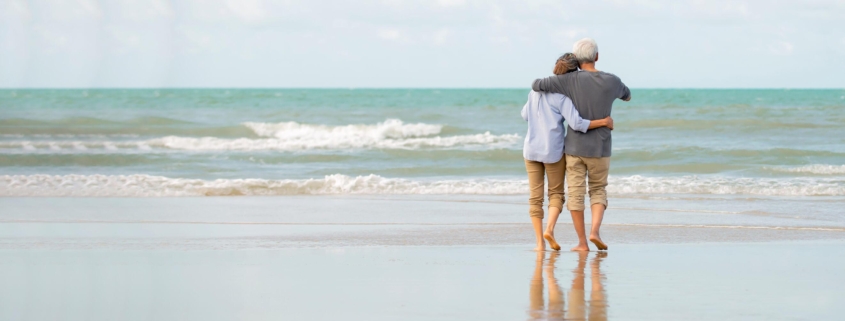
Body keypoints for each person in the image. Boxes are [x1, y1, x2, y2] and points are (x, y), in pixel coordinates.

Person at [531, 38, 631, 252]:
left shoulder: (568, 81)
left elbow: (537, 85)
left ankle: (583, 243)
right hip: (601, 148)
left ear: (576, 59)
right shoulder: (612, 80)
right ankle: (595, 231)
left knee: (575, 194)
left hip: (575, 148)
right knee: (598, 190)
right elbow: (627, 95)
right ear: (596, 57)